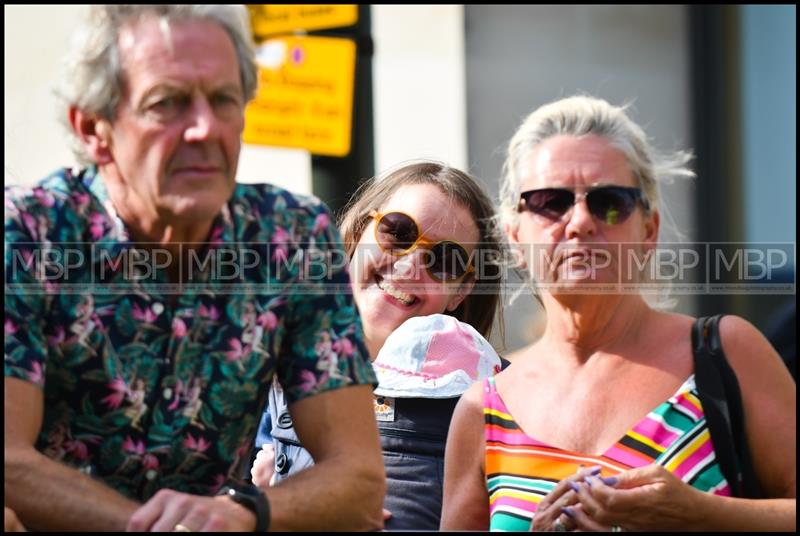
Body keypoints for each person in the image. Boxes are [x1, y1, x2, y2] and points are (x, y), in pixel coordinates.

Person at [4, 5, 384, 532]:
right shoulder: (26, 232)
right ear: (93, 127)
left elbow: (360, 481)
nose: (204, 128)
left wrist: (242, 513)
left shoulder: (289, 237)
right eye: (168, 103)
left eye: (224, 100)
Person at [440, 96, 796, 531]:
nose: (580, 223)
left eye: (609, 202)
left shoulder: (723, 354)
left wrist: (702, 515)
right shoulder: (484, 408)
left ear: (649, 230)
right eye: (551, 202)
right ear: (514, 236)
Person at [252, 161, 506, 529]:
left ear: (462, 290)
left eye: (445, 261)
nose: (410, 265)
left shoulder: (502, 401)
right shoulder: (259, 373)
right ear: (359, 233)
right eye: (398, 232)